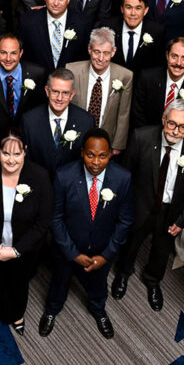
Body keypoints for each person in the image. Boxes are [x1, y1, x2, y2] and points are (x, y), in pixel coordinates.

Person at [111, 100, 184, 308]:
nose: (175, 131)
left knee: (162, 249)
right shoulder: (141, 137)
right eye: (171, 123)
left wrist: (182, 220)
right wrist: (125, 210)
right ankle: (123, 273)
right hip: (141, 205)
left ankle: (153, 280)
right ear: (164, 119)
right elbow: (125, 177)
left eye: (182, 127)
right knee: (131, 243)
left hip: (171, 210)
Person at [39, 128, 133, 339]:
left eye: (102, 156)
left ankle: (98, 310)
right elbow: (55, 218)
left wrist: (106, 255)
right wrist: (72, 253)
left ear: (110, 154)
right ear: (82, 152)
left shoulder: (123, 178)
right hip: (67, 248)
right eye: (90, 155)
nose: (96, 162)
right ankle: (52, 310)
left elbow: (125, 221)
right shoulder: (64, 176)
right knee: (59, 281)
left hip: (101, 249)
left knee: (99, 285)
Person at [0, 130, 52, 335]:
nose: (11, 160)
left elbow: (43, 222)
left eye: (17, 154)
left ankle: (16, 314)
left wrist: (16, 251)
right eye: (6, 153)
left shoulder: (39, 176)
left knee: (19, 281)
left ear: (25, 152)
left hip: (24, 247)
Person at [67, 27, 134, 151]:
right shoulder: (72, 70)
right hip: (75, 137)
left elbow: (123, 114)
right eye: (97, 52)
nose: (101, 58)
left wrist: (117, 146)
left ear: (113, 52)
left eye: (106, 53)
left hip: (106, 140)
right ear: (89, 49)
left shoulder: (125, 76)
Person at [21, 69, 95, 177]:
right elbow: (26, 161)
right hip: (39, 184)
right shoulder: (29, 120)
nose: (59, 98)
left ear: (72, 95)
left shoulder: (86, 121)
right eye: (55, 91)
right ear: (47, 91)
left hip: (72, 187)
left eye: (65, 93)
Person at [131, 35, 184, 129]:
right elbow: (137, 115)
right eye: (174, 56)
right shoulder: (147, 78)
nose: (178, 63)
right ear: (167, 55)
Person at [17, 0, 88, 73]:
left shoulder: (82, 24)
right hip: (38, 83)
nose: (56, 3)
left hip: (70, 83)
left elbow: (83, 60)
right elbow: (21, 57)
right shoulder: (28, 22)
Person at [108, 0, 166, 73]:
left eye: (138, 8)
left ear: (145, 10)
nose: (133, 13)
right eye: (128, 7)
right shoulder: (109, 27)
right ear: (122, 9)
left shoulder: (157, 31)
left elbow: (159, 66)